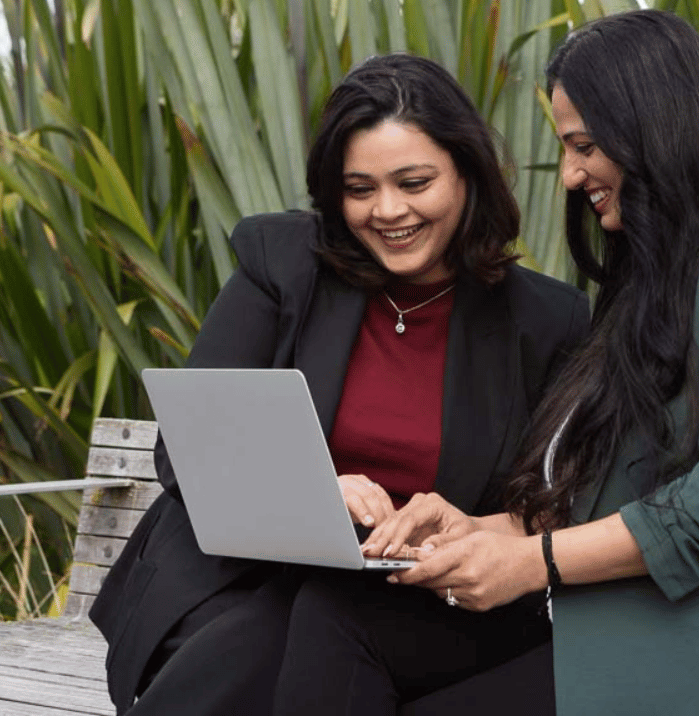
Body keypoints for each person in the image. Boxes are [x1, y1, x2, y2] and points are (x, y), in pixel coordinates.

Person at [367, 9, 699, 716]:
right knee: (336, 626)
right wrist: (481, 531)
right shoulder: (656, 283)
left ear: (654, 130)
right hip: (612, 635)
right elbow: (612, 497)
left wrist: (528, 563)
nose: (571, 174)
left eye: (585, 146)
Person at [89, 54, 590, 715]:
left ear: (468, 174)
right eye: (359, 189)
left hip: (415, 607)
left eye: (414, 182)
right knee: (269, 637)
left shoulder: (544, 320)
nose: (388, 211)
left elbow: (555, 501)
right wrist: (311, 490)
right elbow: (189, 448)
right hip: (244, 578)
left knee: (302, 635)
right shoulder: (283, 264)